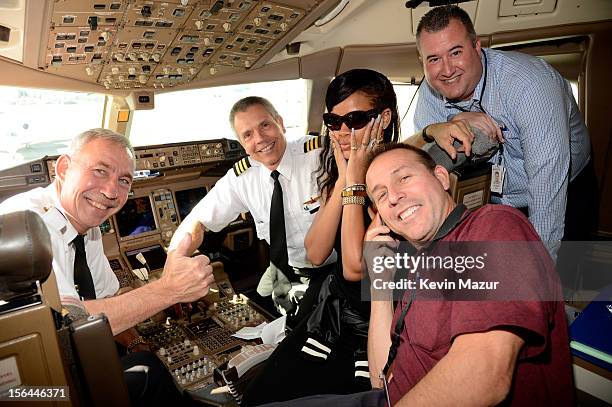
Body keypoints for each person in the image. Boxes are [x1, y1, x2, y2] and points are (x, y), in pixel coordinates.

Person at [0, 128, 214, 405]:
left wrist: (135, 341)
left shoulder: (87, 225)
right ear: (64, 168)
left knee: (144, 361)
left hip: (52, 366)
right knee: (149, 373)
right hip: (24, 392)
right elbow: (70, 323)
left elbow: (106, 301)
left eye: (124, 180)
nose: (112, 191)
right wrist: (170, 289)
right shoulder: (29, 224)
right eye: (100, 171)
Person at [365, 143, 573, 406]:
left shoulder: (493, 227)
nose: (393, 196)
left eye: (403, 178)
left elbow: (485, 375)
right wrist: (379, 282)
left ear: (441, 178)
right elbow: (380, 379)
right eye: (381, 195)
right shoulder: (420, 265)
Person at [242, 69, 401, 405]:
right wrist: (344, 178)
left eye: (356, 120)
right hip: (331, 313)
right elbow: (316, 252)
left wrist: (355, 179)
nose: (343, 131)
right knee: (259, 395)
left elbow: (356, 268)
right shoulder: (339, 170)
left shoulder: (398, 176)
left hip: (371, 320)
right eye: (334, 121)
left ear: (383, 118)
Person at [408, 5, 596, 258]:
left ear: (477, 46)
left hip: (561, 189)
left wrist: (538, 272)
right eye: (433, 59)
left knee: (559, 280)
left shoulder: (530, 85)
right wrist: (453, 119)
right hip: (494, 199)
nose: (447, 70)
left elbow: (546, 180)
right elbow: (429, 167)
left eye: (455, 52)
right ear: (422, 61)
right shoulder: (430, 94)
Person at [169, 96, 334, 322]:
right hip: (283, 271)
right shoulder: (242, 178)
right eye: (248, 135)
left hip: (331, 268)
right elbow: (197, 221)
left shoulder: (319, 155)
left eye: (265, 125)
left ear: (280, 123)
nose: (259, 139)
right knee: (251, 319)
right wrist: (174, 261)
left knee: (303, 327)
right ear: (242, 143)